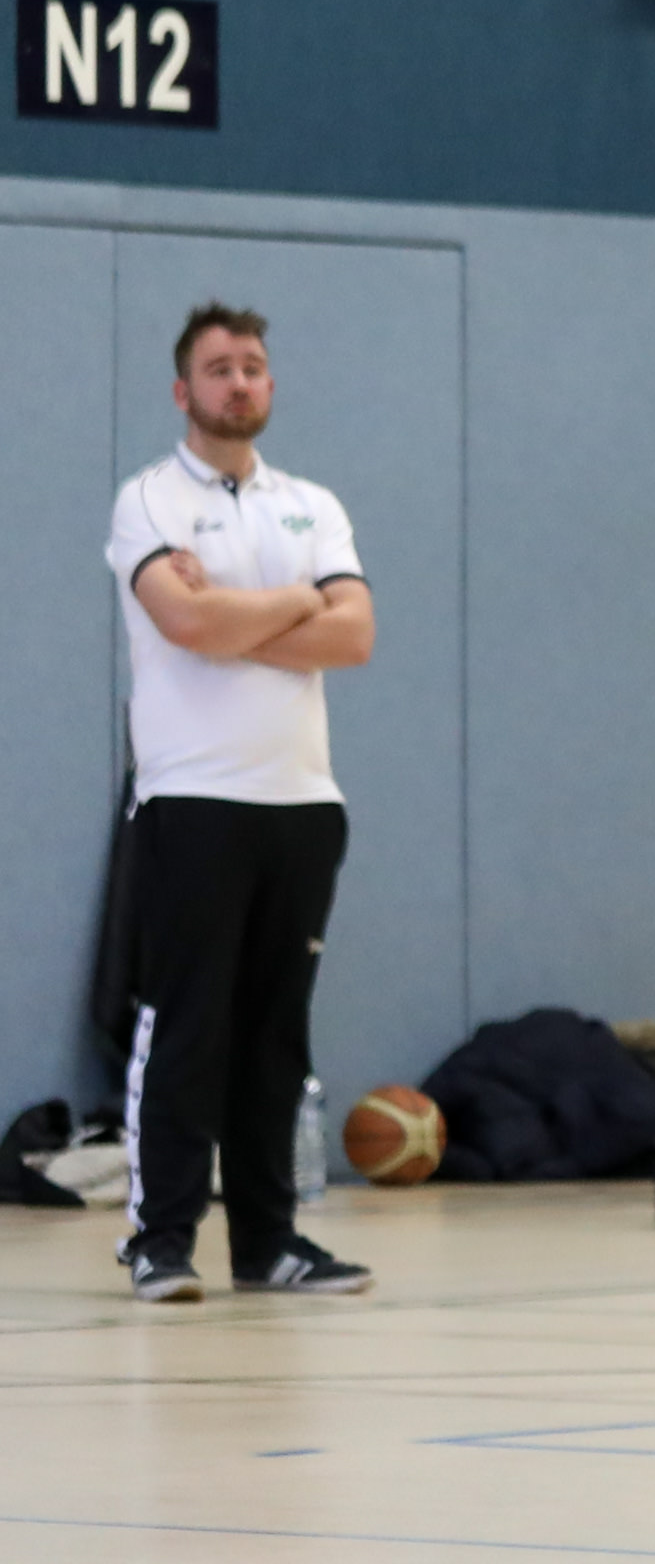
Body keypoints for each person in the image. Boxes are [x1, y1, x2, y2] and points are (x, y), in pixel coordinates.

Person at [107, 303, 376, 1304]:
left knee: (275, 1034)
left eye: (253, 366)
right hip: (193, 800)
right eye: (219, 368)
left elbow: (355, 636)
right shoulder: (149, 500)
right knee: (189, 1024)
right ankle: (160, 1240)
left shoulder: (313, 505)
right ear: (185, 391)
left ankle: (268, 1243)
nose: (239, 382)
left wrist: (237, 614)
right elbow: (183, 622)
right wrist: (301, 600)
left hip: (302, 804)